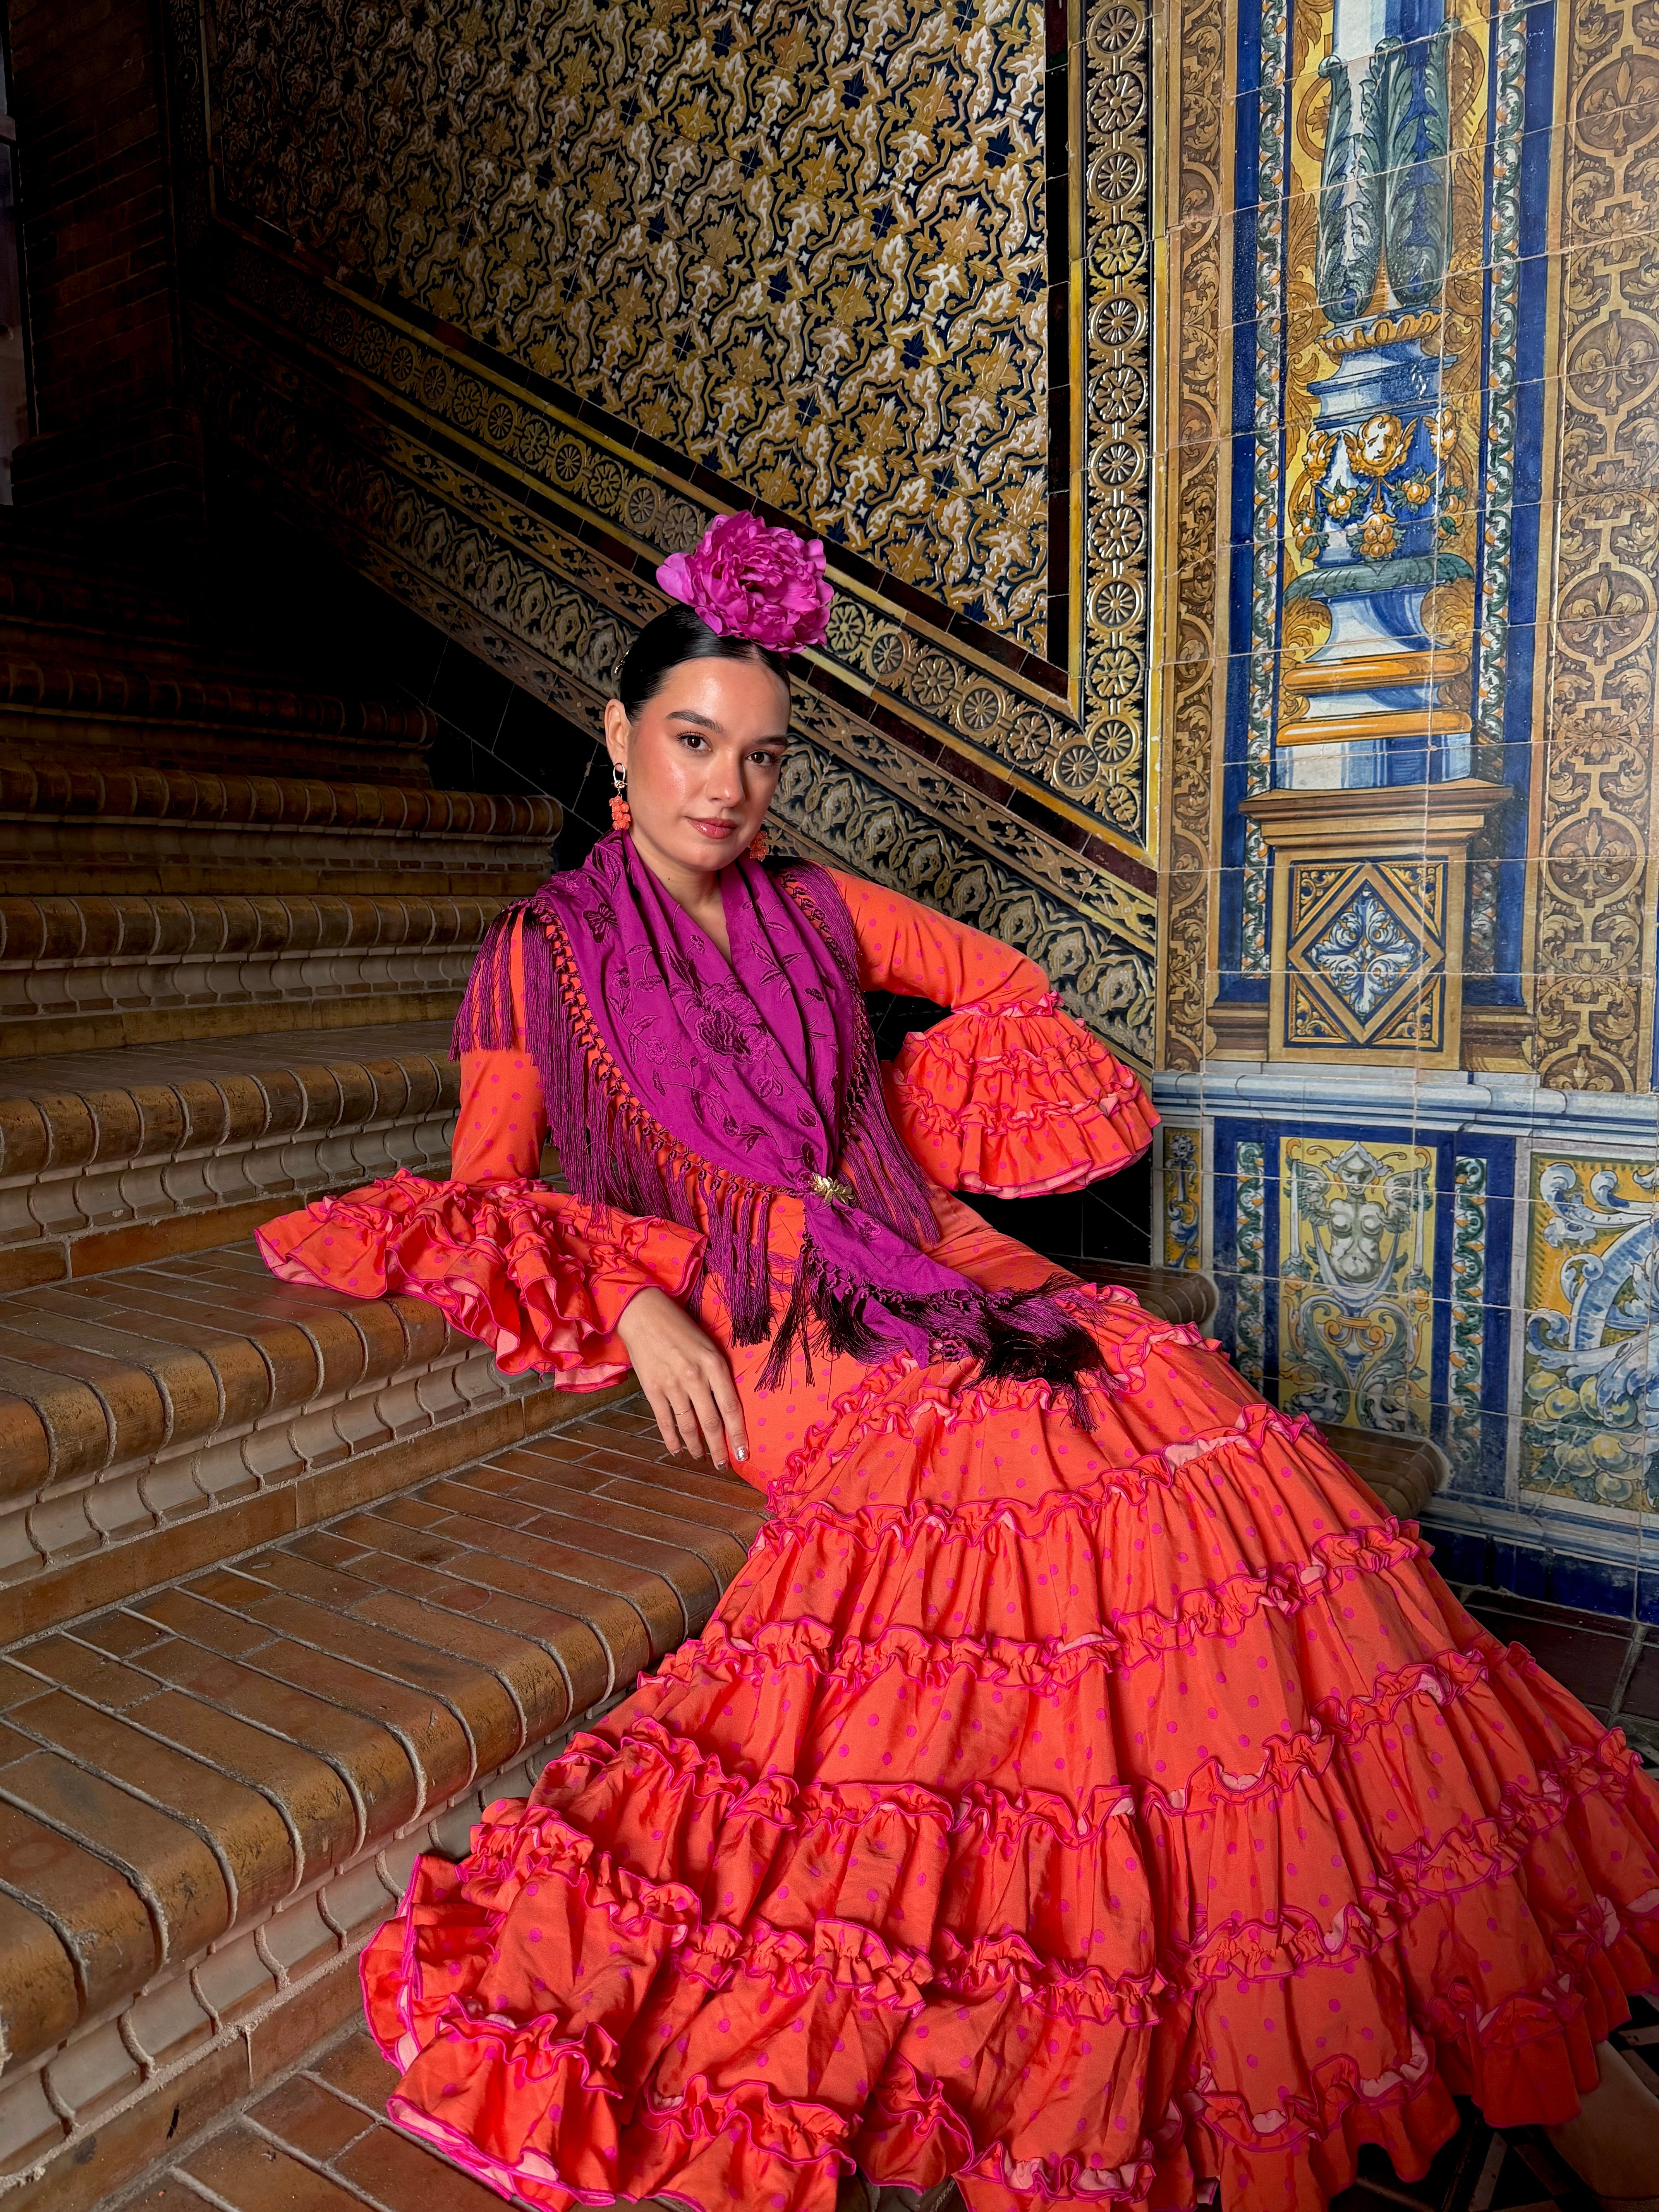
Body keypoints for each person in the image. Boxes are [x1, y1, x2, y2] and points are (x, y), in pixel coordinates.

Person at [259, 513, 1659, 2212]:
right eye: (693, 741)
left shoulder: (814, 903)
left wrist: (890, 1151)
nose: (727, 787)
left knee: (1187, 1417)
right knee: (1046, 1468)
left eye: (761, 757)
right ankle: (1391, 1989)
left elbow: (1002, 982)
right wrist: (634, 1303)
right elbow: (486, 1191)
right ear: (617, 740)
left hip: (928, 1252)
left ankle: (1457, 1957)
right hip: (770, 1324)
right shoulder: (534, 957)